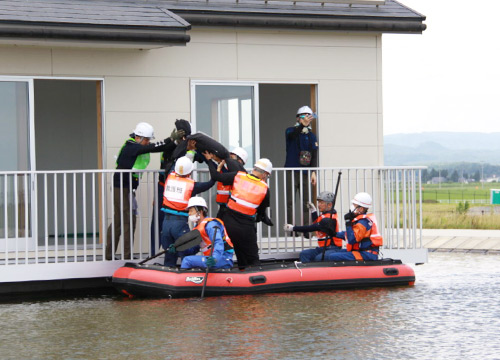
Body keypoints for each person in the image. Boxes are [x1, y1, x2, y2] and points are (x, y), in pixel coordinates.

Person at [106, 122, 177, 260]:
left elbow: (155, 147)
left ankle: (112, 255)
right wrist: (169, 139)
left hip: (127, 189)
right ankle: (126, 257)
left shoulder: (137, 146)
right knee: (126, 221)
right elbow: (151, 147)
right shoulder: (130, 146)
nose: (148, 142)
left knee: (122, 221)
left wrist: (173, 142)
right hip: (121, 187)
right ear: (138, 137)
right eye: (146, 140)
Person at [206, 156, 273, 269]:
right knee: (252, 257)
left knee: (237, 251)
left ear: (254, 169)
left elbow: (216, 176)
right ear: (265, 174)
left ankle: (237, 273)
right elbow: (261, 210)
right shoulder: (265, 188)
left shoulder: (238, 175)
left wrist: (210, 161)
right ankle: (255, 279)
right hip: (246, 226)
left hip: (229, 222)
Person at [160, 156, 215, 267]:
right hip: (179, 223)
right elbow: (210, 183)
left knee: (170, 252)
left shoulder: (169, 176)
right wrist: (210, 162)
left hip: (166, 222)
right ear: (190, 171)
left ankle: (168, 272)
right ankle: (187, 274)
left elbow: (173, 162)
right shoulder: (192, 186)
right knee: (186, 249)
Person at [150, 119, 189, 256]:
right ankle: (154, 252)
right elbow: (161, 148)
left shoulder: (189, 148)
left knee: (177, 223)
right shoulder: (171, 146)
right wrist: (172, 140)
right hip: (164, 188)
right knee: (159, 221)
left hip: (179, 190)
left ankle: (176, 253)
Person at [284, 105, 319, 230]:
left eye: (308, 116)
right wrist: (301, 126)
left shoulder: (312, 136)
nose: (306, 119)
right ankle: (290, 228)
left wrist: (313, 172)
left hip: (305, 172)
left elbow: (314, 155)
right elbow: (292, 136)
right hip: (291, 170)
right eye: (303, 116)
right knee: (290, 202)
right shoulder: (290, 131)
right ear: (298, 118)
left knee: (306, 202)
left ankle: (305, 229)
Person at [283, 191, 343, 263]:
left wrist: (293, 228)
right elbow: (317, 223)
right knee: (304, 254)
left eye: (321, 203)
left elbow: (312, 227)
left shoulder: (329, 219)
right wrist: (313, 211)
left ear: (329, 205)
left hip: (332, 248)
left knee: (319, 258)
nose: (319, 205)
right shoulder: (325, 215)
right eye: (319, 202)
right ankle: (307, 272)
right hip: (323, 247)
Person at [322, 192, 383, 262]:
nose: (352, 207)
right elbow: (351, 233)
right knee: (331, 252)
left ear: (361, 209)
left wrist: (348, 222)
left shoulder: (363, 223)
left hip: (366, 254)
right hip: (362, 252)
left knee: (332, 256)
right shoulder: (361, 220)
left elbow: (352, 239)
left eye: (354, 205)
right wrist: (334, 234)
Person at [179, 197, 234, 269]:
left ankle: (184, 279)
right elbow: (194, 249)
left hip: (223, 259)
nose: (189, 213)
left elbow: (218, 242)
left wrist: (215, 258)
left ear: (200, 211)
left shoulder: (210, 225)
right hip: (211, 259)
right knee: (186, 258)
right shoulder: (198, 228)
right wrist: (179, 248)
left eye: (191, 211)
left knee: (187, 260)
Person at [214, 147, 247, 219]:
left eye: (232, 158)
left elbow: (225, 178)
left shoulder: (241, 176)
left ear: (240, 161)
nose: (229, 161)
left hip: (233, 211)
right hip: (223, 209)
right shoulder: (226, 171)